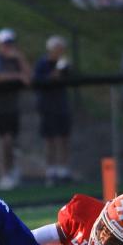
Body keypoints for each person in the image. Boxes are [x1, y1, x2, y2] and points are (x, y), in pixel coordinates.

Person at [0, 28, 32, 191]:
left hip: (12, 106)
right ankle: (4, 173)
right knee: (4, 141)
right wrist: (17, 76)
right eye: (6, 44)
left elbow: (29, 77)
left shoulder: (15, 60)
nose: (9, 47)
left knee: (11, 141)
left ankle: (12, 171)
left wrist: (20, 59)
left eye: (11, 43)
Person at [34, 35, 73, 185]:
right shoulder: (43, 64)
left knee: (63, 137)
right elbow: (41, 80)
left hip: (61, 105)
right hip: (47, 106)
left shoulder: (64, 64)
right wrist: (57, 70)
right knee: (50, 139)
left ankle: (63, 169)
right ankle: (51, 170)